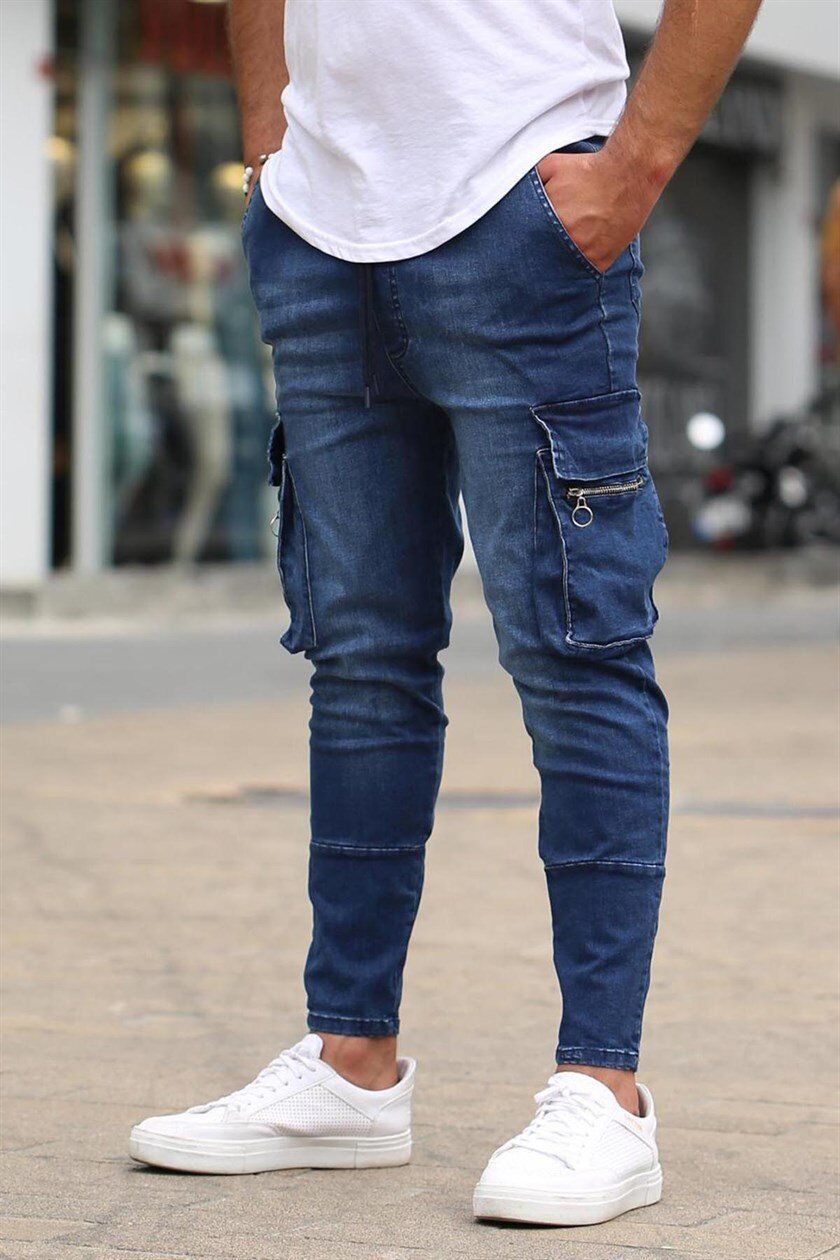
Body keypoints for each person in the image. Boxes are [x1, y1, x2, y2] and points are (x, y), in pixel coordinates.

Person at [130, 0, 762, 1227]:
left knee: (575, 651)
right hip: (320, 230)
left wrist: (634, 166)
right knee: (359, 662)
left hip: (523, 210)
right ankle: (350, 1065)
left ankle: (604, 1088)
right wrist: (270, 148)